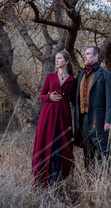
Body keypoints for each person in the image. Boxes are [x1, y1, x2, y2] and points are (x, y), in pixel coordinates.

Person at [32, 50, 76, 188]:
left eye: (59, 58)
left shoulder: (72, 80)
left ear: (67, 61)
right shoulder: (50, 77)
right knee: (46, 144)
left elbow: (74, 100)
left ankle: (60, 181)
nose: (56, 61)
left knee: (62, 146)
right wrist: (49, 97)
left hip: (64, 116)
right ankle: (42, 181)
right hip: (48, 115)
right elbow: (41, 95)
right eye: (56, 59)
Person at [74, 46, 111, 172]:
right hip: (83, 119)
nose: (84, 56)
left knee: (103, 151)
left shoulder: (106, 75)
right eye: (84, 54)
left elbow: (110, 100)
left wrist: (109, 120)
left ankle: (104, 182)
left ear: (96, 56)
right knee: (87, 152)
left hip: (100, 120)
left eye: (87, 54)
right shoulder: (80, 75)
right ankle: (89, 180)